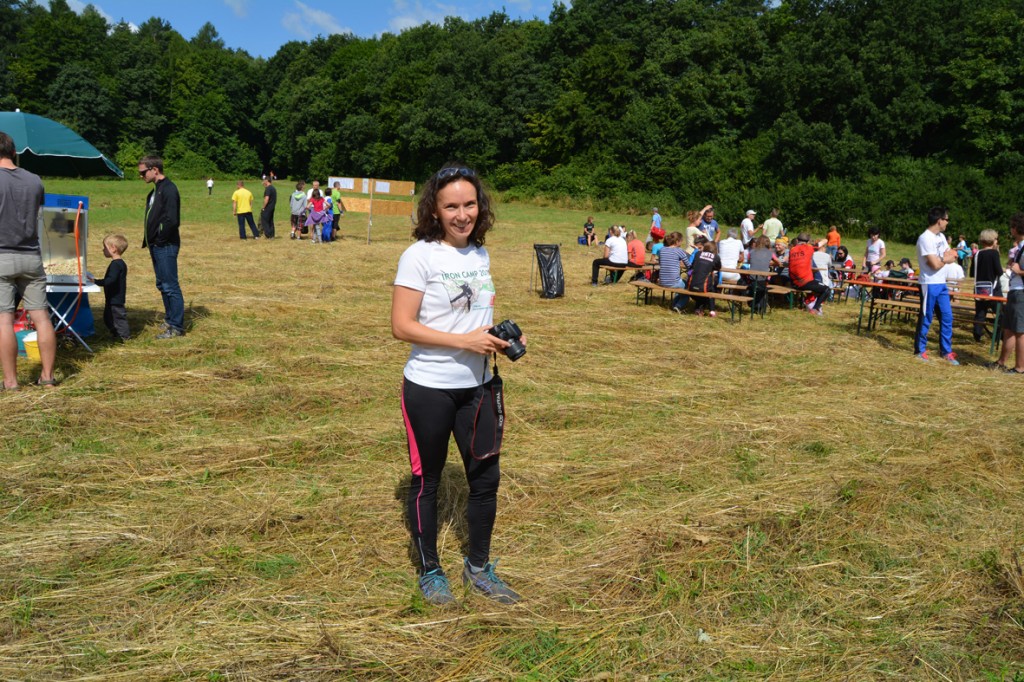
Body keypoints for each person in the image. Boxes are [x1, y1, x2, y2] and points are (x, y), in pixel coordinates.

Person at [391, 164, 522, 606]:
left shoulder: (479, 254)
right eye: (451, 206)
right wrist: (463, 340)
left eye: (469, 204)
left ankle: (479, 568)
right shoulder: (420, 255)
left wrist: (499, 340)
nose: (462, 214)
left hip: (479, 385)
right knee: (427, 481)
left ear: (480, 207)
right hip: (429, 387)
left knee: (485, 480)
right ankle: (430, 570)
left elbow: (473, 318)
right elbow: (401, 326)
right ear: (434, 209)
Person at [0, 130, 57, 388]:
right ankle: (47, 376)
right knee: (41, 317)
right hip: (31, 255)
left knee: (4, 319)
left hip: (2, 256)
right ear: (14, 152)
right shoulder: (35, 180)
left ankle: (11, 382)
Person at [139, 155, 185, 339]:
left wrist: (160, 239)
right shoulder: (155, 191)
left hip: (165, 245)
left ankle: (176, 326)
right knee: (162, 284)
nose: (141, 176)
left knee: (170, 285)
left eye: (143, 172)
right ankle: (170, 319)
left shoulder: (169, 189)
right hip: (156, 245)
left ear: (154, 170)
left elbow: (172, 220)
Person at [915, 207, 959, 364]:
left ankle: (946, 351)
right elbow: (933, 264)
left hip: (941, 283)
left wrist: (945, 258)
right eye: (947, 219)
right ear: (939, 220)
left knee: (947, 317)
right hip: (929, 283)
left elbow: (952, 253)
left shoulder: (941, 236)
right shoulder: (925, 238)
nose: (947, 222)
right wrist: (945, 259)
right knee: (926, 317)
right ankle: (920, 350)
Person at [995, 214, 1024, 373]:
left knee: (1020, 330)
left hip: (1021, 293)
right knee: (1009, 328)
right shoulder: (1020, 247)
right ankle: (1001, 362)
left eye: (1012, 226)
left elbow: (1020, 270)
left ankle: (1020, 367)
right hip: (1015, 291)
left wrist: (1019, 271)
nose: (1010, 229)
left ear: (1017, 228)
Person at [89, 234, 130, 342]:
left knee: (118, 318)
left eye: (105, 247)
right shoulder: (119, 264)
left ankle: (124, 336)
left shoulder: (116, 265)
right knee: (108, 318)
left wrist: (96, 282)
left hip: (115, 298)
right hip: (112, 297)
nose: (103, 250)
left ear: (113, 248)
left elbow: (110, 280)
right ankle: (116, 334)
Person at [789, 233, 830, 315]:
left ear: (797, 240)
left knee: (816, 283)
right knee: (826, 289)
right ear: (807, 242)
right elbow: (825, 241)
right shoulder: (809, 248)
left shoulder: (792, 250)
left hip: (793, 282)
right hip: (804, 282)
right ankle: (814, 309)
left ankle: (810, 301)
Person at [973, 229, 1002, 343]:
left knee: (980, 313)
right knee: (1000, 314)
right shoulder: (994, 253)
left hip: (979, 288)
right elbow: (999, 271)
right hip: (993, 289)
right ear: (992, 240)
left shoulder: (977, 254)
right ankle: (998, 336)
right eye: (996, 238)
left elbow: (972, 272)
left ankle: (977, 335)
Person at [658, 231, 689, 313]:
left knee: (679, 284)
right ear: (677, 241)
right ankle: (677, 306)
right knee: (687, 289)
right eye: (681, 241)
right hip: (673, 283)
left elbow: (661, 263)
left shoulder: (662, 249)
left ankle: (674, 305)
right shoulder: (679, 250)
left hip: (662, 281)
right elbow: (689, 266)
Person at [688, 241, 721, 317]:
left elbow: (692, 266)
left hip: (691, 285)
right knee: (711, 290)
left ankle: (698, 309)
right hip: (703, 287)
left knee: (702, 287)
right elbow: (718, 267)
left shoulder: (698, 253)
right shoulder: (716, 257)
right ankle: (712, 310)